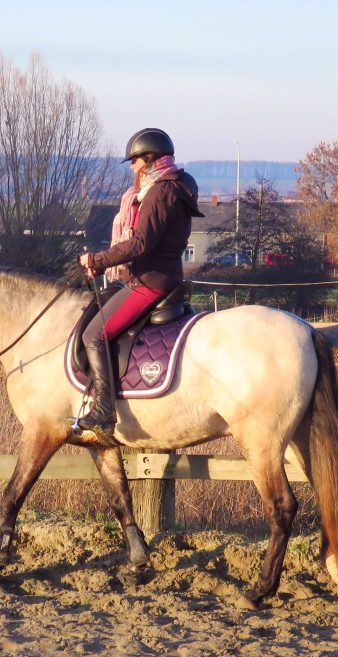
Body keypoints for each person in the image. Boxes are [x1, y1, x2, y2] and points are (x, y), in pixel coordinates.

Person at [73, 127, 204, 441]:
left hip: (150, 281)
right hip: (156, 276)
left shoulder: (161, 192)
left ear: (150, 159)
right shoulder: (172, 187)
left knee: (94, 333)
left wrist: (99, 260)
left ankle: (103, 411)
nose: (131, 167)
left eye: (134, 161)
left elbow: (141, 243)